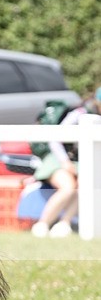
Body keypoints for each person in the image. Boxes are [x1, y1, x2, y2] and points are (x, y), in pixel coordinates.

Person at [30, 89, 101, 238]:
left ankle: (64, 223)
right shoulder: (80, 113)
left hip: (79, 162)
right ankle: (42, 224)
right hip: (57, 158)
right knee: (68, 187)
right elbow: (55, 139)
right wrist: (65, 162)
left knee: (86, 184)